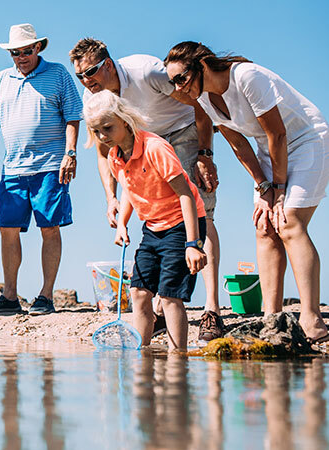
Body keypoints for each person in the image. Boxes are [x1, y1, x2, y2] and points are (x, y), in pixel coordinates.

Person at [164, 41, 329, 344]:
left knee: (288, 221)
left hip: (307, 142)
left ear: (201, 66)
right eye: (171, 81)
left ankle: (311, 317)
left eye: (181, 78)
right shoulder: (205, 100)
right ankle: (272, 318)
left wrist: (277, 191)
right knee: (264, 225)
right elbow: (239, 145)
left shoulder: (247, 77)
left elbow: (277, 132)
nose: (177, 87)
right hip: (269, 150)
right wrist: (263, 186)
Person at [68, 38, 225, 341]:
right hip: (134, 142)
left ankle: (211, 309)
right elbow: (105, 154)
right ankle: (159, 316)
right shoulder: (95, 102)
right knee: (144, 281)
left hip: (181, 131)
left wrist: (205, 154)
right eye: (80, 76)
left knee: (199, 208)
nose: (87, 82)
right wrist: (111, 198)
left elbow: (200, 102)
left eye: (91, 72)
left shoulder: (147, 72)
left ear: (109, 64)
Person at [84, 91, 208, 350]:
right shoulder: (115, 157)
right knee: (139, 292)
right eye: (97, 132)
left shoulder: (155, 148)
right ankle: (142, 353)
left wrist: (193, 243)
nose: (103, 136)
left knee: (170, 295)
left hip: (181, 225)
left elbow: (185, 193)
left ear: (125, 121)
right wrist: (122, 224)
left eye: (108, 128)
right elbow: (129, 190)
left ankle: (178, 357)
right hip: (152, 228)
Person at [0, 23, 83, 316]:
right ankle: (10, 297)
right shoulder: (1, 80)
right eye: (16, 52)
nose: (21, 56)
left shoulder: (59, 74)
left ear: (38, 48)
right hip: (13, 168)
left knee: (49, 227)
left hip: (51, 165)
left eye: (27, 50)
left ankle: (45, 296)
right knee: (7, 229)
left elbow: (73, 117)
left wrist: (70, 153)